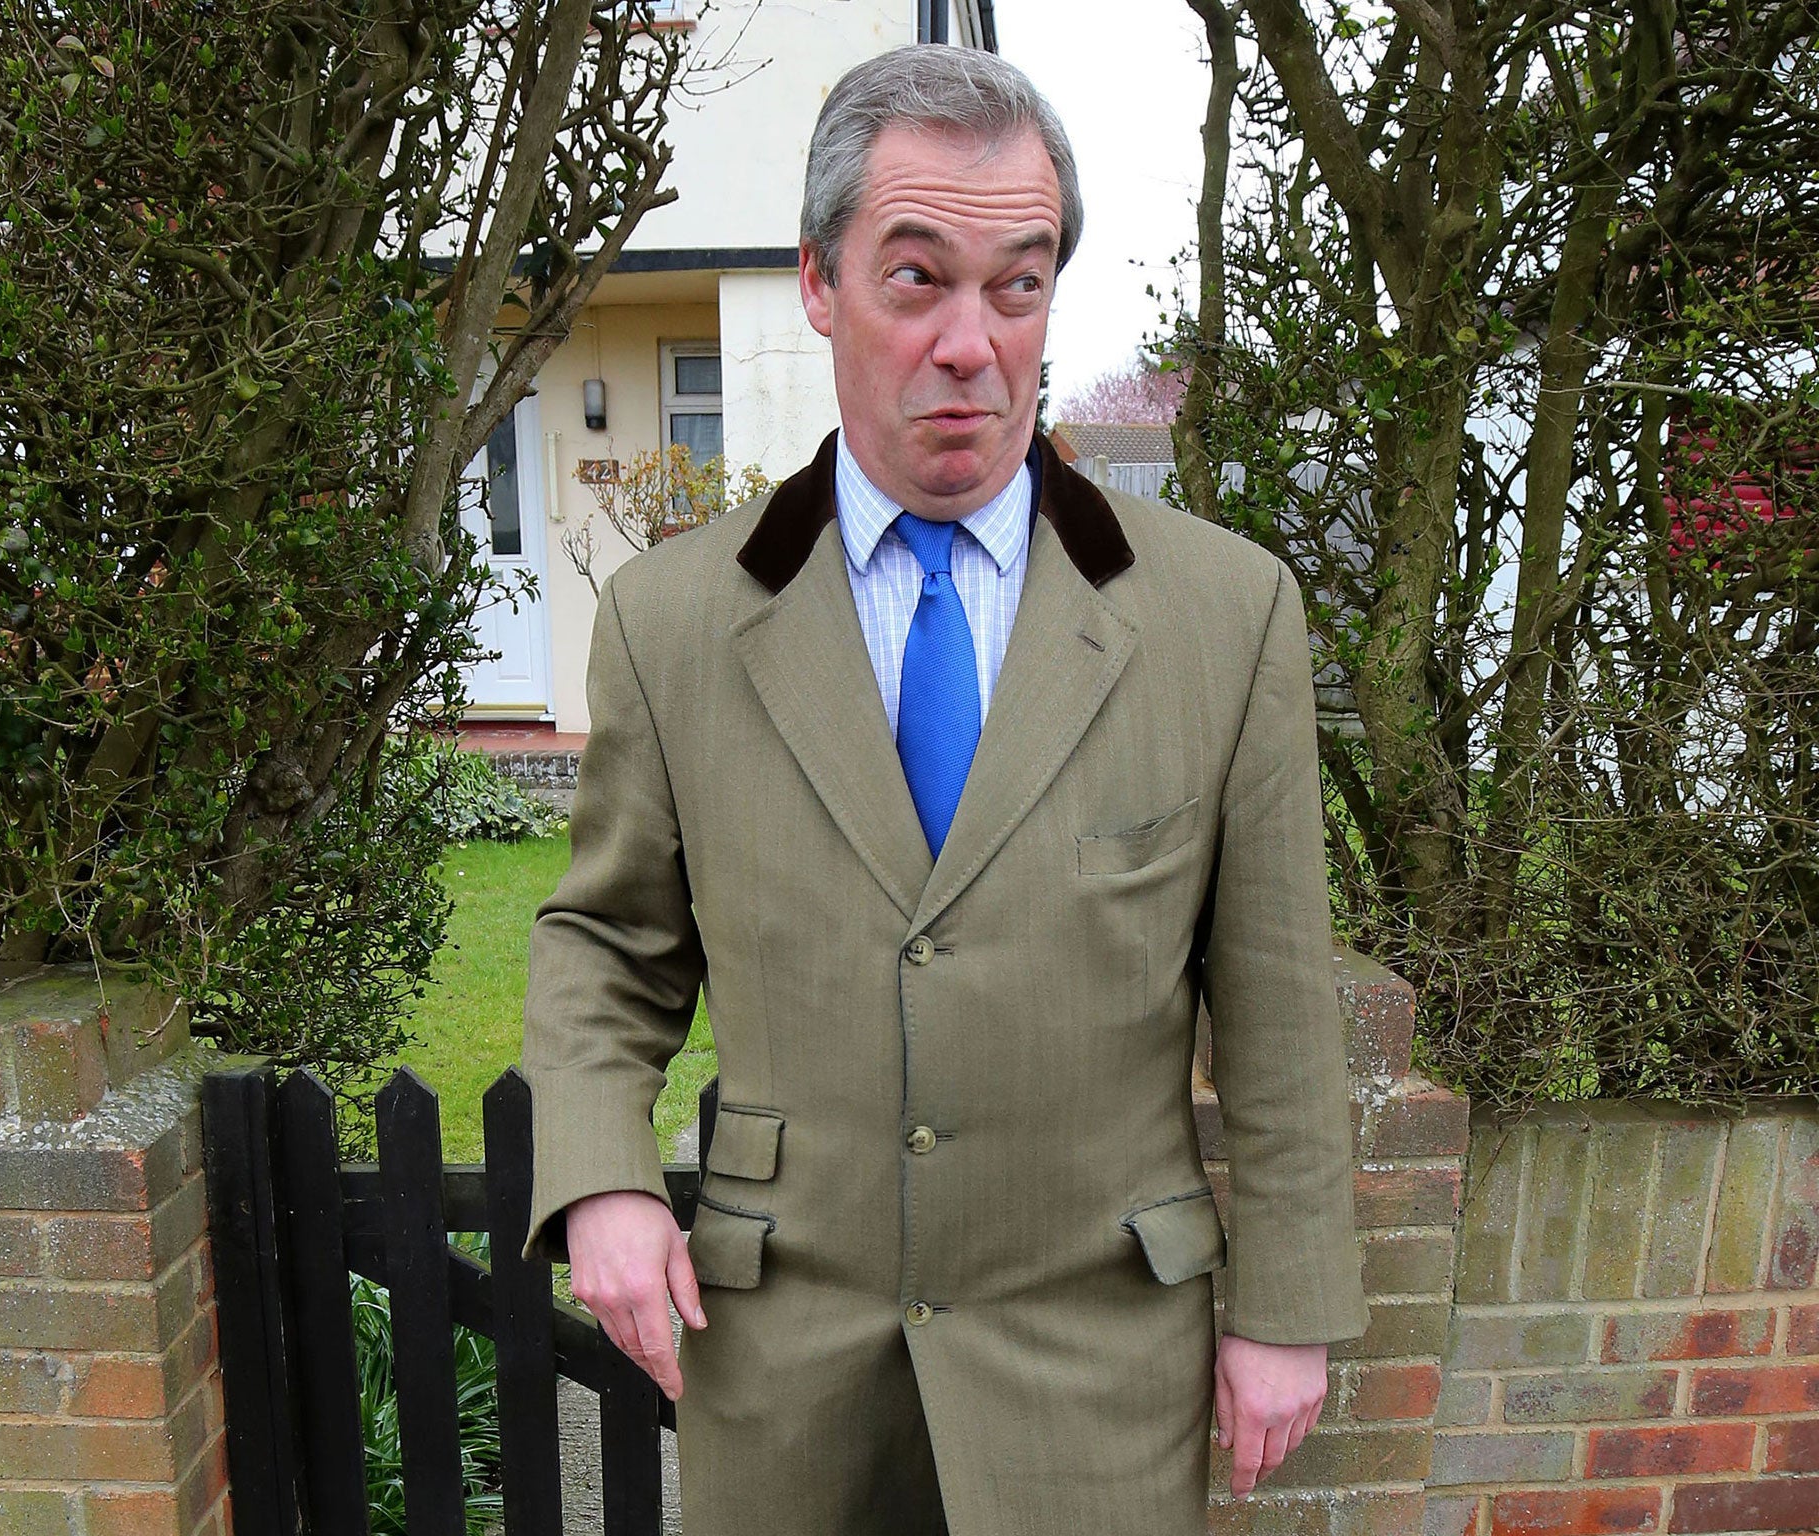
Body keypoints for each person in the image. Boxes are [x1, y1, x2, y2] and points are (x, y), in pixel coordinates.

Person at [518, 43, 1369, 1534]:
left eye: (1018, 283)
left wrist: (1287, 1304)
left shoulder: (1222, 617)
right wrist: (598, 1176)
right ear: (822, 283)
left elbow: (1282, 998)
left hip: (1096, 1363)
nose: (972, 341)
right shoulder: (675, 621)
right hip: (786, 1361)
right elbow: (607, 947)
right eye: (918, 279)